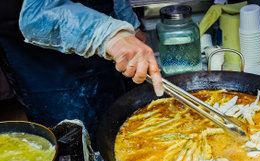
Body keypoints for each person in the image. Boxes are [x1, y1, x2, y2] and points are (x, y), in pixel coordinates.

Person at [0, 0, 163, 139]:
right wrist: (109, 34)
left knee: (113, 124)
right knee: (72, 138)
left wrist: (127, 21)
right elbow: (35, 17)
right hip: (43, 61)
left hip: (102, 36)